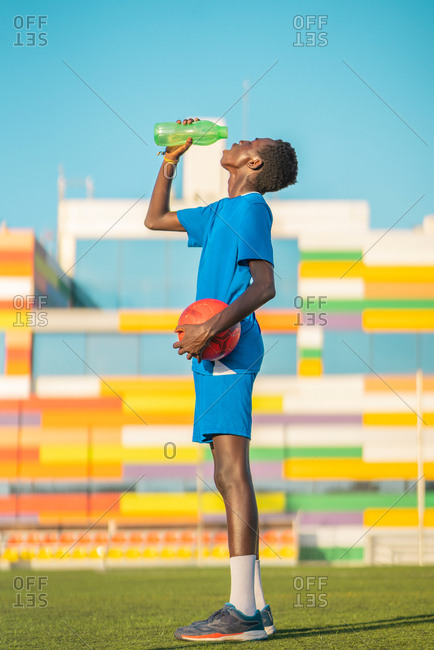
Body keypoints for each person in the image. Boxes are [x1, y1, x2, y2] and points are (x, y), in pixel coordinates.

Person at [145, 118, 298, 642]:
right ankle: (255, 604)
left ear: (254, 164)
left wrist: (210, 326)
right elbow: (155, 218)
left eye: (250, 143)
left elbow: (265, 285)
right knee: (224, 472)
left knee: (232, 472)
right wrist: (172, 158)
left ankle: (242, 612)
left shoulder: (253, 207)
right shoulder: (220, 213)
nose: (239, 141)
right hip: (213, 350)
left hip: (229, 346)